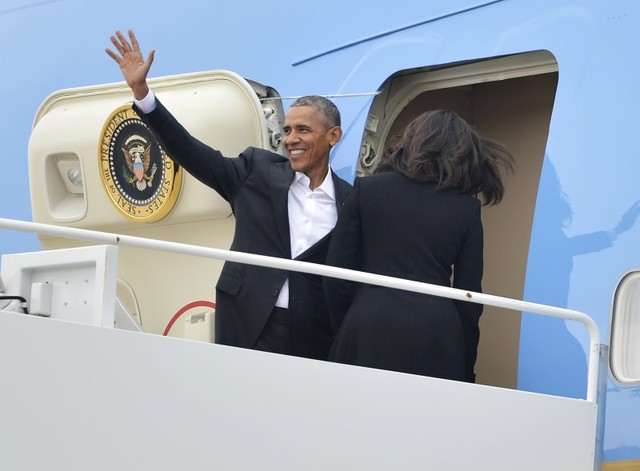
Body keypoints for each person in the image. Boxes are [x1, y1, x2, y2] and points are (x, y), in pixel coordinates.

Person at [106, 30, 352, 360]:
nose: (291, 139)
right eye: (289, 130)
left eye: (303, 130)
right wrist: (143, 94)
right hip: (248, 323)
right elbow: (193, 153)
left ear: (333, 136)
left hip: (315, 336)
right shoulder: (258, 172)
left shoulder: (352, 202)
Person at [323, 110, 514, 382]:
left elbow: (336, 275)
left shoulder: (368, 189)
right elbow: (470, 298)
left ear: (412, 141)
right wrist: (466, 364)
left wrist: (350, 324)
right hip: (438, 333)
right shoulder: (466, 209)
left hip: (368, 322)